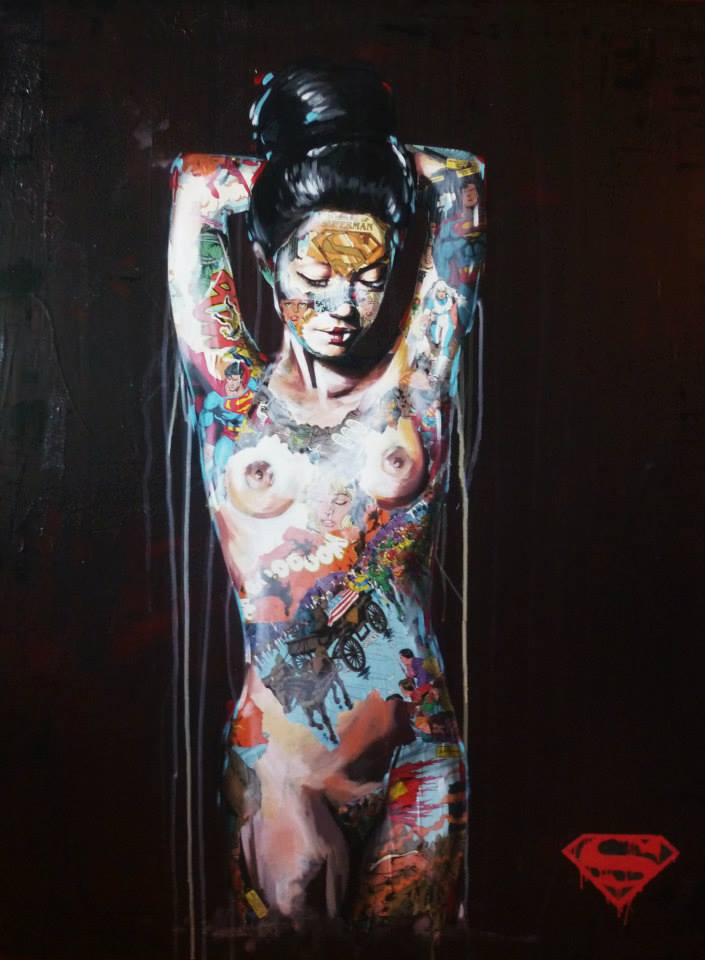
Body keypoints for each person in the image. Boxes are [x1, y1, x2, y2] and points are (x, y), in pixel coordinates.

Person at [168, 61, 485, 934]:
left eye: (368, 276)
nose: (342, 303)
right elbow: (195, 190)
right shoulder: (233, 402)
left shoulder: (414, 389)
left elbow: (459, 184)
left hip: (420, 758)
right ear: (268, 262)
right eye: (315, 274)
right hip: (286, 769)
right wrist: (302, 166)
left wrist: (359, 164)